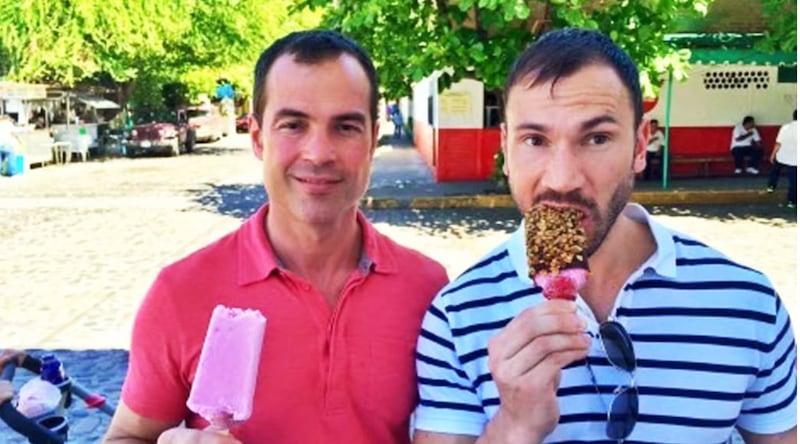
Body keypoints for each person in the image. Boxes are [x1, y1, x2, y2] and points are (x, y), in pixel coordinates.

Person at [413, 28, 796, 444]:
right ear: (506, 149)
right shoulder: (456, 317)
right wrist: (515, 426)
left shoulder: (748, 304)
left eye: (596, 138)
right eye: (534, 140)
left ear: (639, 145)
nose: (562, 179)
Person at [104, 30, 448, 444]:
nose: (318, 153)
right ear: (257, 138)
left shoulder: (427, 288)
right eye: (293, 124)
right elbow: (127, 435)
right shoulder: (180, 292)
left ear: (374, 139)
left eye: (345, 126)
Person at [767, 110, 797, 209]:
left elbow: (778, 143)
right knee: (794, 182)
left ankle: (771, 187)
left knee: (775, 171)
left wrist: (772, 155)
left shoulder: (785, 127)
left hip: (782, 156)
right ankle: (791, 202)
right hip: (795, 160)